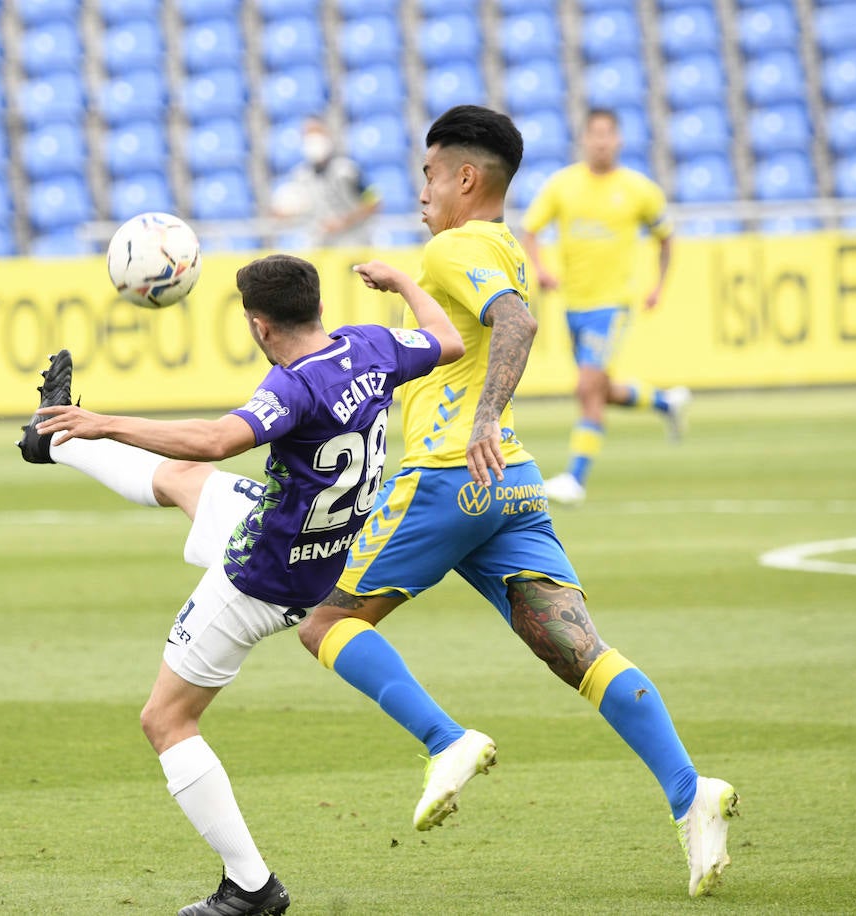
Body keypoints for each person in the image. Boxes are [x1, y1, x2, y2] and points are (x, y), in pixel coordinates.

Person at [295, 105, 740, 898]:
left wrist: (486, 415)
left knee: (325, 622)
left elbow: (516, 322)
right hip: (511, 485)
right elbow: (481, 324)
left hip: (445, 475)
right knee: (579, 651)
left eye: (430, 172)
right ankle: (689, 792)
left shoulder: (457, 243)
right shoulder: (499, 244)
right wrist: (402, 285)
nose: (421, 186)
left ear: (466, 177)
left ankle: (445, 739)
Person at [17, 253, 465, 916]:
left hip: (259, 576)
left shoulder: (294, 387)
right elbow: (450, 341)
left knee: (166, 720)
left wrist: (108, 420)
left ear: (259, 326)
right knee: (176, 482)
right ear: (317, 307)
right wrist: (402, 284)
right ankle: (56, 436)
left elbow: (215, 438)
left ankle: (251, 886)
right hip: (315, 547)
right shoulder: (370, 346)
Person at [518, 108, 691, 506]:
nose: (600, 141)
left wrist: (657, 286)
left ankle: (575, 478)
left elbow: (666, 238)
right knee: (599, 388)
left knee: (586, 388)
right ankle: (667, 402)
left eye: (607, 134)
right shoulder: (563, 185)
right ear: (584, 139)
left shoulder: (638, 189)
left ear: (618, 140)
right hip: (573, 304)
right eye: (593, 134)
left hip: (612, 304)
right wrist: (540, 270)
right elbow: (530, 230)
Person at [270, 117, 382, 248]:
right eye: (307, 134)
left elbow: (374, 201)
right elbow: (296, 209)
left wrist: (343, 222)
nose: (312, 139)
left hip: (352, 245)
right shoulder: (301, 175)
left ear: (327, 135)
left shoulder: (347, 169)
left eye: (316, 132)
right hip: (320, 247)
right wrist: (284, 214)